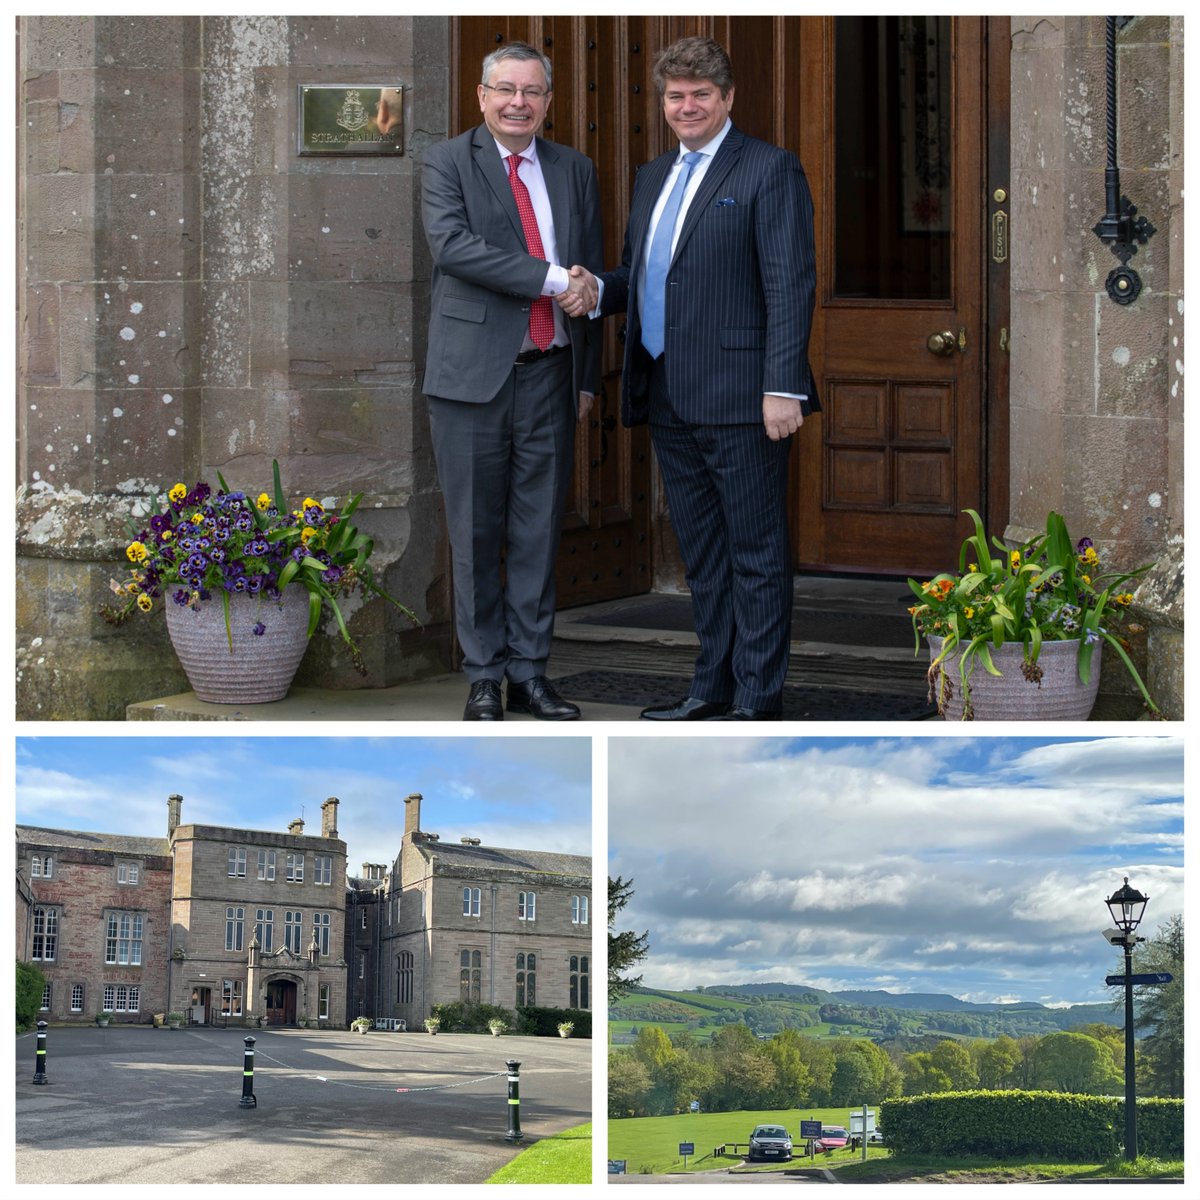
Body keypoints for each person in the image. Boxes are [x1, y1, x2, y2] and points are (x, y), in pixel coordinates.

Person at [560, 36, 818, 720]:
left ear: (728, 98)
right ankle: (711, 688)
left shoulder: (769, 169)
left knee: (756, 555)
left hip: (745, 399)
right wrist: (598, 289)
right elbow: (646, 276)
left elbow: (790, 284)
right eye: (675, 95)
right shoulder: (653, 176)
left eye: (701, 94)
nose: (687, 106)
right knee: (702, 555)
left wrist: (784, 385)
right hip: (668, 392)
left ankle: (758, 699)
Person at [421, 42, 602, 720]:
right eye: (506, 90)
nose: (518, 102)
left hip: (551, 374)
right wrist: (556, 280)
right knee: (473, 534)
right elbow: (455, 249)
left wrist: (586, 367)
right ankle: (483, 677)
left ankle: (530, 673)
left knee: (537, 533)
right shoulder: (446, 163)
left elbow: (590, 265)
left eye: (531, 92)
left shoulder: (573, 168)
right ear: (481, 96)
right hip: (471, 382)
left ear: (548, 102)